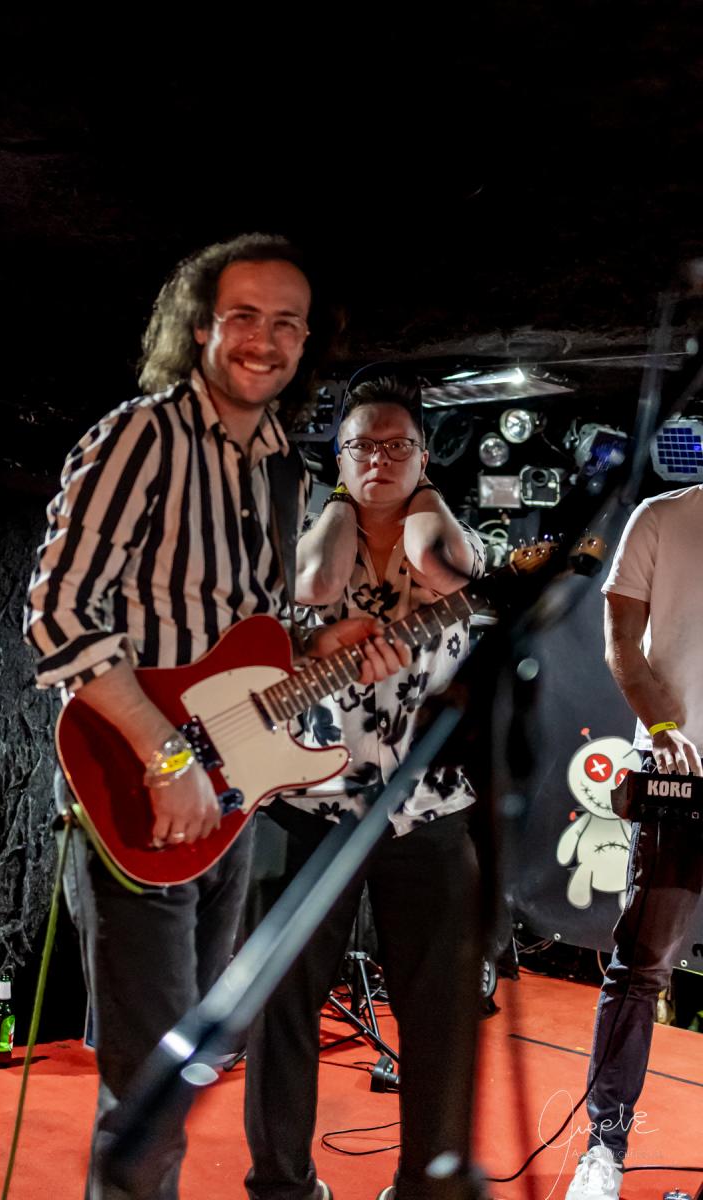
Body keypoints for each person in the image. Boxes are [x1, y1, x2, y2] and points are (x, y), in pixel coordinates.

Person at [24, 234, 410, 1200]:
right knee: (148, 1093)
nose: (263, 340)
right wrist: (167, 759)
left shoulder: (280, 464)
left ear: (306, 341)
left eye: (286, 323)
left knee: (189, 1066)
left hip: (231, 788)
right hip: (147, 783)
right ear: (199, 326)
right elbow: (58, 614)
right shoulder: (141, 438)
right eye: (243, 315)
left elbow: (248, 634)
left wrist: (323, 646)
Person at [244, 376, 486, 1200]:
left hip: (428, 810)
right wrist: (345, 503)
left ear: (424, 455)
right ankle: (281, 1186)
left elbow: (437, 566)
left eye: (397, 445)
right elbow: (315, 586)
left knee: (440, 1012)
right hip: (313, 806)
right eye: (361, 446)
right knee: (283, 1005)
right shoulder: (304, 541)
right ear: (337, 458)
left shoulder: (453, 535)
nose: (378, 458)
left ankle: (424, 1186)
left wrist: (413, 492)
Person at [565, 484, 703, 1200]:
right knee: (642, 965)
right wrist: (662, 727)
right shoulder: (660, 518)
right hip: (678, 770)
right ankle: (604, 1150)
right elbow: (621, 641)